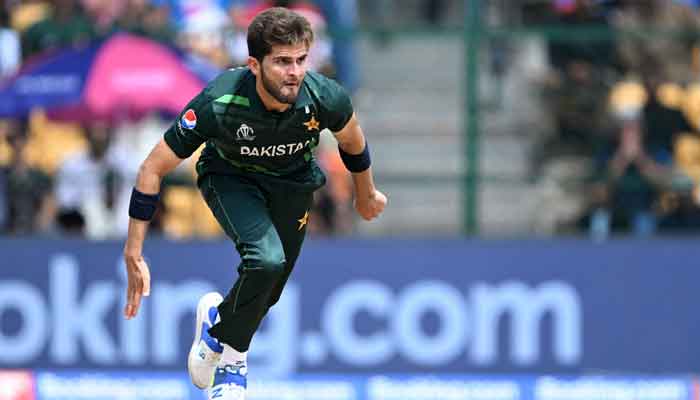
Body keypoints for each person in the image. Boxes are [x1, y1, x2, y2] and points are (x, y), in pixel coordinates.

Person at [121, 7, 386, 400]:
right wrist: (134, 249)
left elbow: (352, 141)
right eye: (281, 62)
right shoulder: (220, 101)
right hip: (232, 179)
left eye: (300, 60)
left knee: (270, 287)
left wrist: (366, 193)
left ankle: (217, 326)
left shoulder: (322, 96)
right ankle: (233, 361)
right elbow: (151, 168)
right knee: (266, 261)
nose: (294, 72)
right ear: (254, 65)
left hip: (293, 185)